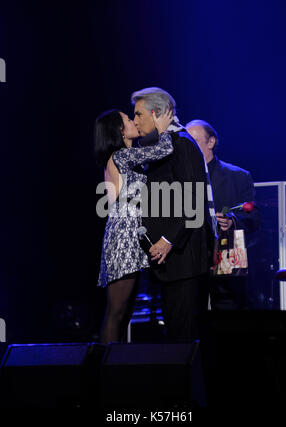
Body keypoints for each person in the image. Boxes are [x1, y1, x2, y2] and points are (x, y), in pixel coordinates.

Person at [131, 87, 216, 342]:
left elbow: (193, 199)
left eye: (138, 114)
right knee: (175, 335)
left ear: (156, 113)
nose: (135, 121)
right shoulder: (165, 144)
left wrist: (168, 240)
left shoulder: (182, 144)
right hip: (170, 263)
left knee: (183, 337)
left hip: (183, 260)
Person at [95, 109, 174, 343]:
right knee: (116, 313)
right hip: (123, 239)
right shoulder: (121, 156)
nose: (133, 121)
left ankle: (113, 364)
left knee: (124, 313)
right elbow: (163, 149)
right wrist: (163, 127)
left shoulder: (127, 158)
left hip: (131, 237)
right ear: (120, 130)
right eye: (128, 120)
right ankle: (104, 369)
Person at [186, 119, 260, 310]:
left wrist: (231, 221)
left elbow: (253, 218)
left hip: (226, 261)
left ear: (211, 142)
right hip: (191, 262)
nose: (189, 149)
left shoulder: (238, 176)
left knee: (227, 316)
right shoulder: (180, 178)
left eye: (194, 143)